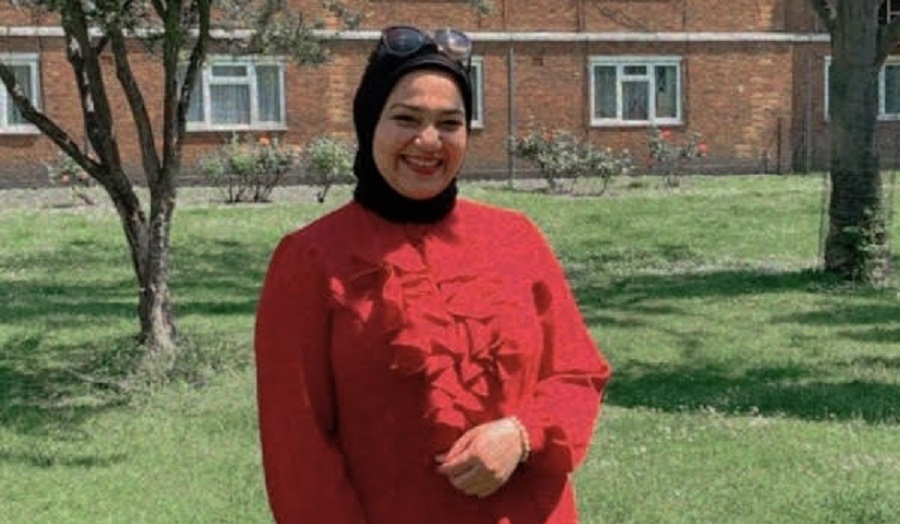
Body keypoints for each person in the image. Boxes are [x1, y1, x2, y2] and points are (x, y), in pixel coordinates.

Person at [254, 25, 612, 524]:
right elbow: (298, 448)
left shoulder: (516, 238)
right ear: (369, 123)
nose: (428, 141)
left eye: (449, 122)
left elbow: (578, 373)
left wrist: (522, 433)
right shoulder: (310, 261)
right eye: (406, 118)